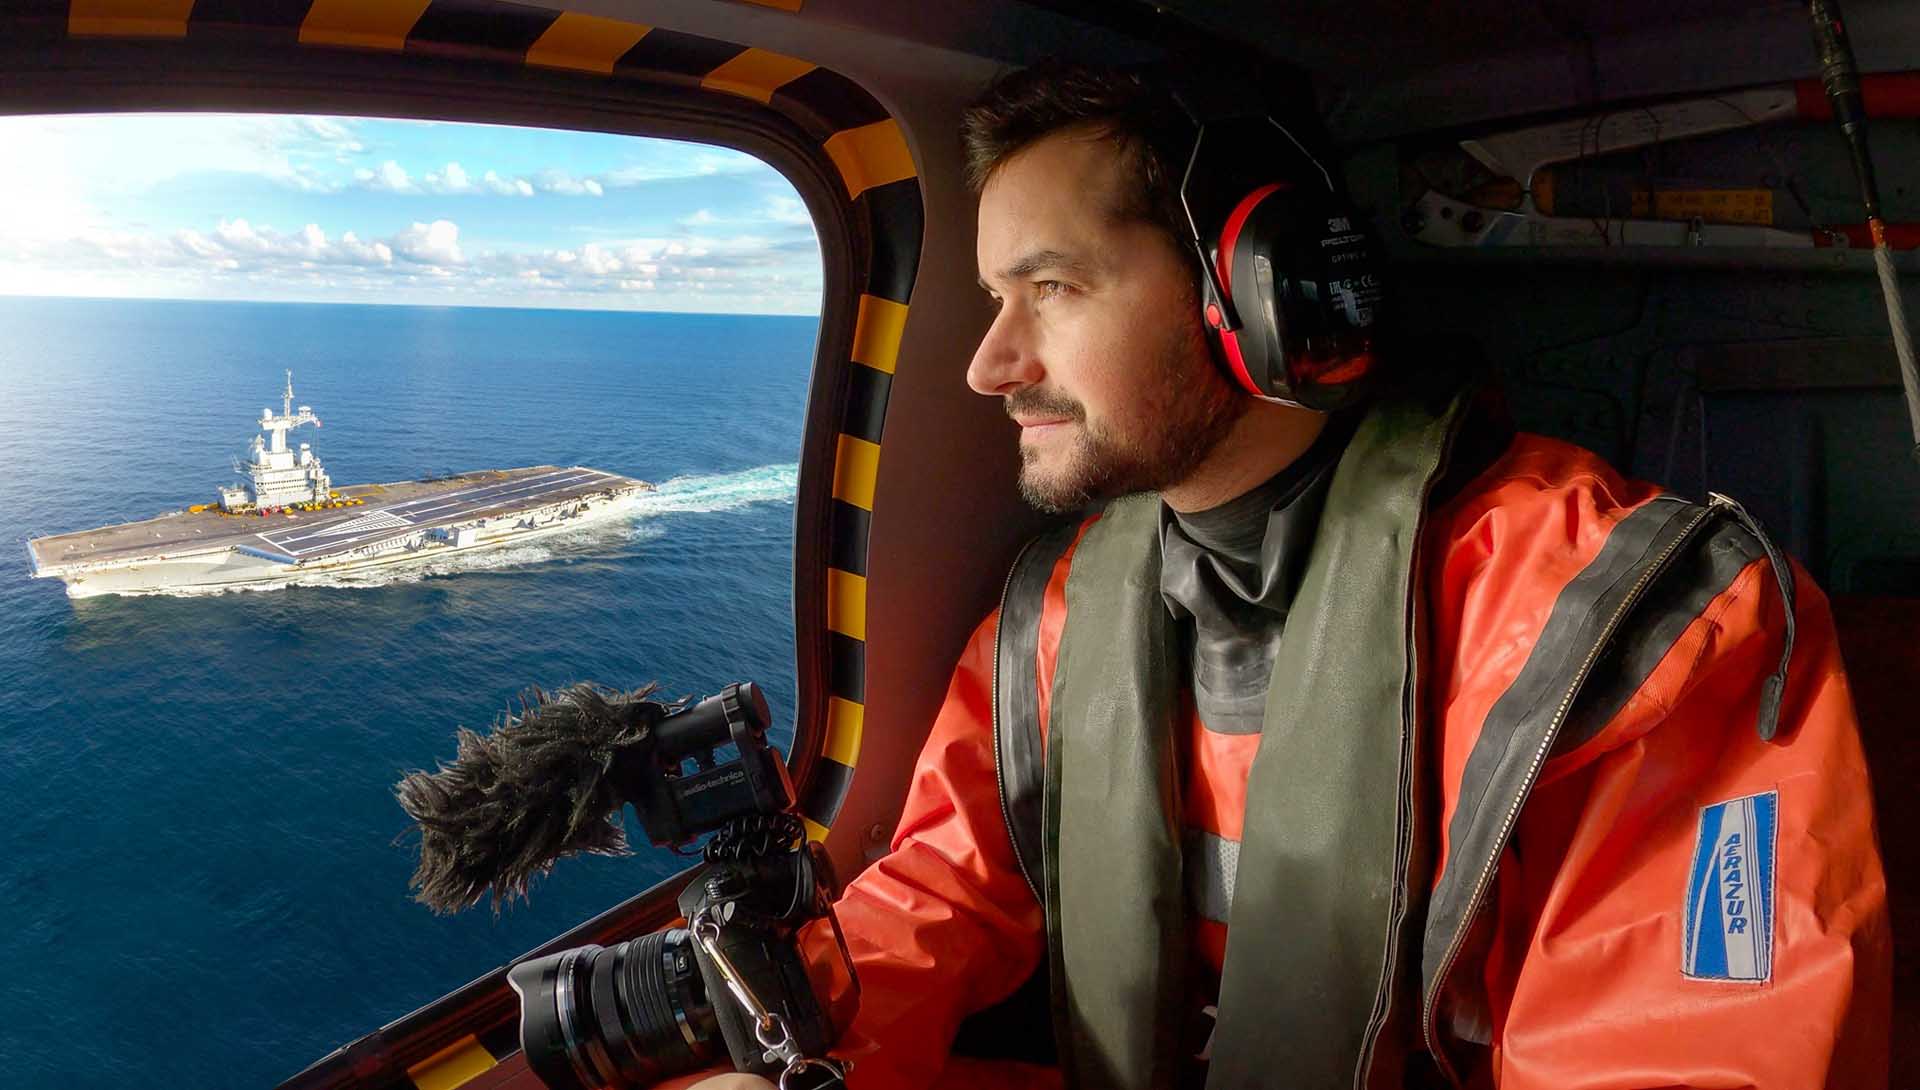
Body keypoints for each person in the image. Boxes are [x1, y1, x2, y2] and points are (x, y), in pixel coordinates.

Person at [680, 60, 1891, 1090]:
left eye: (1050, 288)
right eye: (998, 299)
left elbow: (1689, 1047)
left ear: (1252, 285)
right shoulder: (1054, 618)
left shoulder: (1629, 624)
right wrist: (783, 1051)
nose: (990, 365)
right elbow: (934, 898)